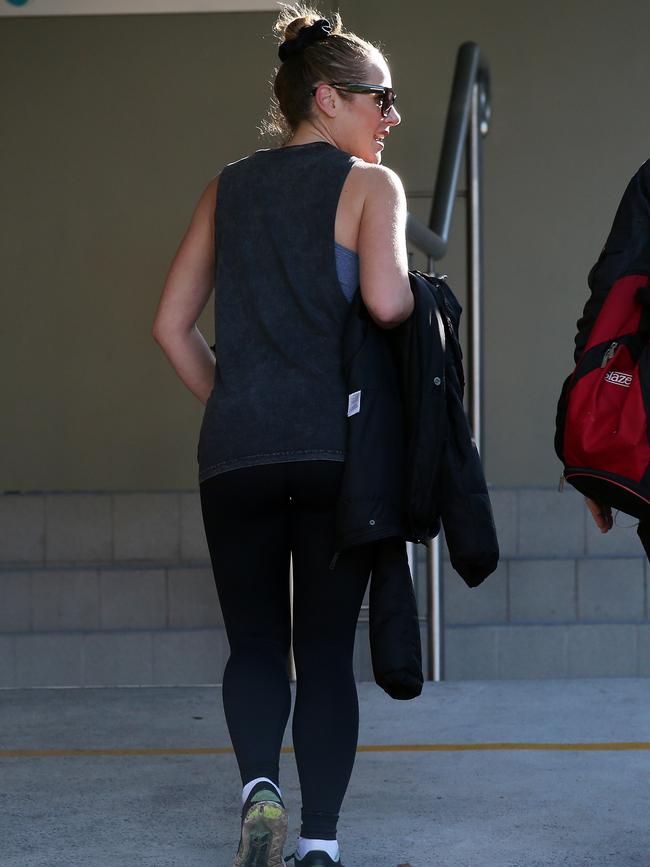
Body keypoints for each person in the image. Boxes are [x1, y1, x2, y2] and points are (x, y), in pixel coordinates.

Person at [151, 4, 412, 865]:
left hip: (238, 451)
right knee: (326, 652)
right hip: (335, 456)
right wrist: (422, 297)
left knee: (256, 642)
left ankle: (258, 785)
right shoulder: (370, 186)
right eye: (381, 98)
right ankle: (320, 845)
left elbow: (170, 325)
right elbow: (383, 303)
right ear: (328, 99)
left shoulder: (229, 184)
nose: (392, 117)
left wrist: (235, 401)